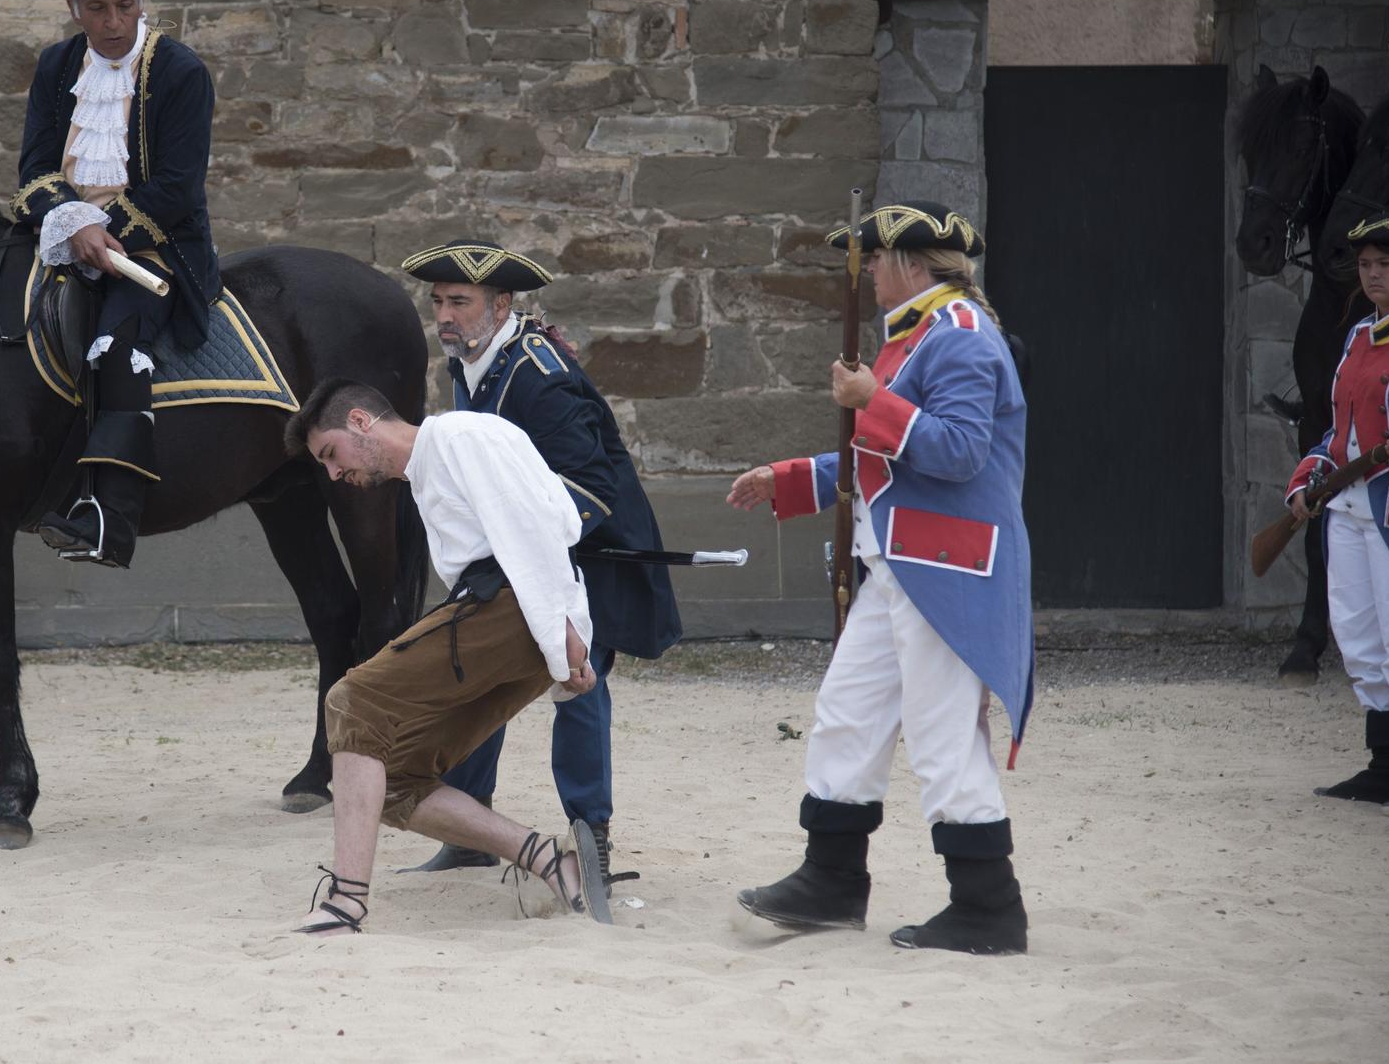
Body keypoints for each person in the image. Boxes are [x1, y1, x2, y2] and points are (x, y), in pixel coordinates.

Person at [726, 201, 1034, 956]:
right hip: (898, 561)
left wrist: (874, 401)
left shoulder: (959, 335)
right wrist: (791, 478)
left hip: (946, 566)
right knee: (846, 716)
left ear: (910, 262)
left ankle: (987, 905)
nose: (861, 271)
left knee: (940, 737)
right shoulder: (916, 338)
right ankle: (831, 879)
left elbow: (959, 451)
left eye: (872, 255)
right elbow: (885, 459)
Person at [283, 377, 616, 934]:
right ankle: (550, 861)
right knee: (392, 781)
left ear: (361, 422)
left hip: (511, 611)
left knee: (351, 700)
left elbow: (533, 527)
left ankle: (346, 901)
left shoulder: (463, 435)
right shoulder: (429, 469)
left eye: (331, 454)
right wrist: (556, 650)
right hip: (516, 622)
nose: (335, 474)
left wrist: (564, 643)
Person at [395, 239, 681, 884]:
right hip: (516, 557)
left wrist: (526, 558)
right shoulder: (469, 363)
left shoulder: (538, 375)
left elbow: (589, 486)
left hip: (591, 553)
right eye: (438, 301)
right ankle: (468, 833)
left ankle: (591, 841)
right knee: (476, 676)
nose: (445, 315)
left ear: (501, 305)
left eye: (460, 302)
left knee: (577, 687)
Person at [11, 0, 220, 569]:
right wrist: (73, 225)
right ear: (74, 9)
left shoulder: (181, 71)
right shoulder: (55, 65)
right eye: (96, 8)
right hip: (66, 236)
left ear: (142, 1)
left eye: (124, 6)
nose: (111, 22)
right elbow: (36, 170)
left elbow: (178, 190)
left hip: (156, 246)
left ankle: (108, 518)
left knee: (112, 346)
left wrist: (109, 232)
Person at [1285, 216, 1389, 818]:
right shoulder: (1359, 334)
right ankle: (1384, 765)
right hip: (1350, 507)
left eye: (1385, 265)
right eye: (1365, 266)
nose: (1372, 275)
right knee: (1362, 640)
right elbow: (1338, 432)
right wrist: (1309, 476)